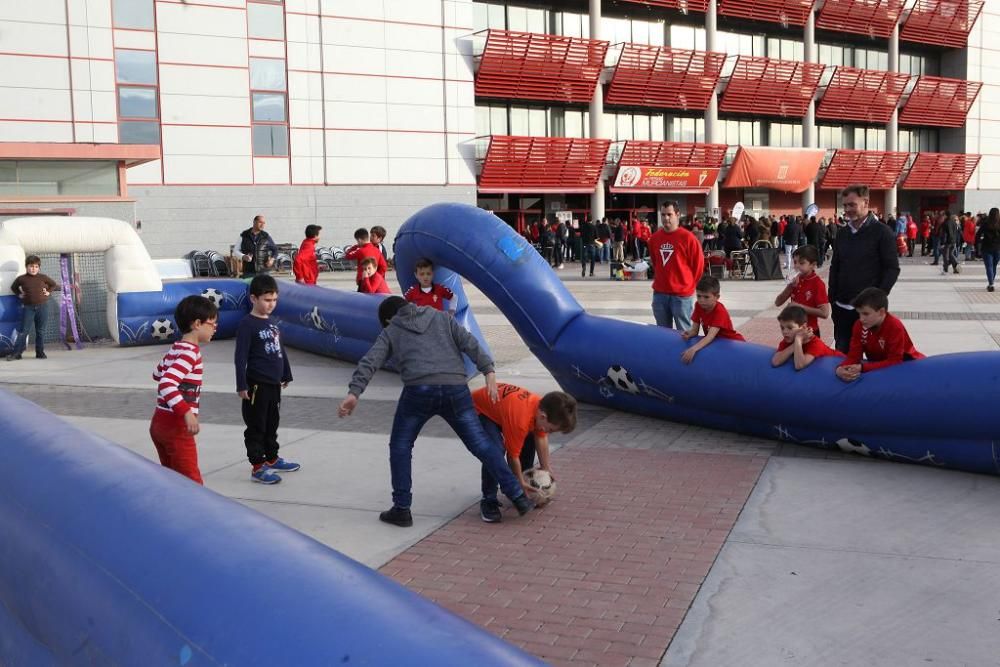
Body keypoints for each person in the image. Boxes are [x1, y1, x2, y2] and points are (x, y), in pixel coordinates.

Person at [337, 296, 535, 527]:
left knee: (401, 446)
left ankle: (402, 509)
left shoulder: (392, 329)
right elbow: (468, 341)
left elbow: (370, 361)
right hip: (455, 389)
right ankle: (518, 496)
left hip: (418, 391)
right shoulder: (441, 317)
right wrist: (487, 369)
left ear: (390, 318)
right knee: (481, 444)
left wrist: (354, 392)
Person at [473, 384, 577, 523]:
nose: (549, 433)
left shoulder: (540, 409)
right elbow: (512, 456)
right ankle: (488, 499)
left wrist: (546, 469)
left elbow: (540, 437)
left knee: (530, 437)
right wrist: (520, 483)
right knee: (495, 450)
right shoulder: (521, 419)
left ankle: (522, 488)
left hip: (501, 410)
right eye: (551, 430)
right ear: (543, 417)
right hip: (479, 410)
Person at [234, 275, 299, 484]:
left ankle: (272, 458)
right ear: (254, 298)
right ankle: (257, 466)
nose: (271, 304)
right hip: (256, 385)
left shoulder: (272, 323)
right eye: (266, 299)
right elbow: (240, 356)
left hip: (273, 384)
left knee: (272, 423)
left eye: (274, 300)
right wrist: (241, 384)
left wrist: (286, 372)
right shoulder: (247, 324)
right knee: (257, 424)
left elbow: (280, 350)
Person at [149, 295, 218, 484]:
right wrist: (186, 412)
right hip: (176, 426)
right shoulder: (190, 353)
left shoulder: (177, 347)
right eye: (212, 324)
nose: (215, 328)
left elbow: (157, 374)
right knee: (192, 484)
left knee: (173, 480)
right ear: (197, 323)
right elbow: (166, 383)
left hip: (159, 424)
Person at [827, 184, 899, 353]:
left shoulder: (882, 232)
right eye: (845, 205)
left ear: (866, 202)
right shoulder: (843, 233)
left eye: (852, 204)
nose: (847, 209)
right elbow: (835, 266)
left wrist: (877, 300)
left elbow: (892, 269)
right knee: (843, 357)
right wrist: (832, 297)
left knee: (875, 359)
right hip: (842, 309)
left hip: (869, 312)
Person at [836, 287, 924, 382]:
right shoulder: (859, 325)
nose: (861, 319)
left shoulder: (895, 326)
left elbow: (895, 361)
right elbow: (854, 356)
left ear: (881, 312)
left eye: (866, 314)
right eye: (859, 314)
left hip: (907, 363)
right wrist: (840, 369)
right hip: (878, 364)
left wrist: (863, 368)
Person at [650, 201, 704, 331]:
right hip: (660, 294)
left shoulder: (688, 238)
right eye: (663, 215)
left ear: (677, 215)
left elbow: (698, 266)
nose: (666, 218)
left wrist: (688, 285)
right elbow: (655, 262)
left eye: (669, 214)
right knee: (662, 334)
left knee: (685, 333)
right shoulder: (654, 238)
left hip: (681, 296)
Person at [680, 276, 745, 364]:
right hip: (717, 342)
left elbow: (710, 336)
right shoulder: (698, 305)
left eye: (706, 297)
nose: (701, 300)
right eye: (699, 296)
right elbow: (695, 330)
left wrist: (693, 349)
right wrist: (689, 334)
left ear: (716, 297)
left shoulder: (719, 311)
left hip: (731, 342)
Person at [6, 255, 59, 361]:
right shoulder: (21, 279)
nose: (33, 269)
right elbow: (14, 287)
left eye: (36, 266)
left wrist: (48, 291)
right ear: (26, 267)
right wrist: (19, 294)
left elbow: (53, 285)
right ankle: (17, 353)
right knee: (23, 331)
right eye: (31, 266)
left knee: (40, 331)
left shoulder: (43, 277)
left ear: (39, 268)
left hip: (42, 307)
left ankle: (40, 352)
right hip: (28, 308)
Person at [773, 245, 830, 337]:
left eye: (802, 263)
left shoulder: (817, 284)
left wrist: (800, 307)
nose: (797, 266)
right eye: (795, 262)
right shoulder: (796, 280)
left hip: (810, 332)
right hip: (793, 331)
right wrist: (790, 286)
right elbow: (778, 302)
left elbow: (825, 313)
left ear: (813, 265)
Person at [771, 305, 842, 370]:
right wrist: (795, 344)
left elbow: (799, 365)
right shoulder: (789, 339)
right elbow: (775, 362)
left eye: (790, 328)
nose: (785, 332)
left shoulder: (815, 343)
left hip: (841, 361)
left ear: (803, 327)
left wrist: (798, 340)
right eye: (782, 328)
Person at [976, 207, 1000, 292]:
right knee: (994, 266)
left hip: (986, 247)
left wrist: (979, 243)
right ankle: (991, 282)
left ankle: (991, 284)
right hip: (998, 248)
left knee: (989, 266)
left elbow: (978, 235)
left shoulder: (985, 223)